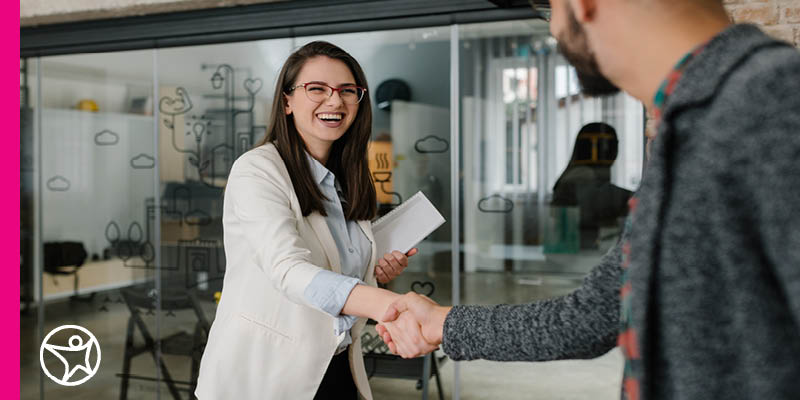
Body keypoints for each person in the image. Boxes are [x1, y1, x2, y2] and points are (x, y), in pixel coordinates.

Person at [378, 0, 800, 399]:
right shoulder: (688, 128)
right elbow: (591, 317)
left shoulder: (773, 100)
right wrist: (442, 323)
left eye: (553, 7)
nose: (555, 26)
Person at [195, 41, 424, 400]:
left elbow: (332, 267)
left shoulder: (346, 177)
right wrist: (387, 307)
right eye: (316, 89)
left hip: (337, 364)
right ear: (287, 101)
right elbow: (287, 269)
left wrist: (372, 272)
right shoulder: (257, 169)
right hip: (266, 375)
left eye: (348, 91)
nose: (335, 101)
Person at [551, 122, 632, 249]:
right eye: (613, 145)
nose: (615, 151)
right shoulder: (582, 174)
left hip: (582, 248)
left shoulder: (583, 173)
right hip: (574, 253)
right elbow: (602, 203)